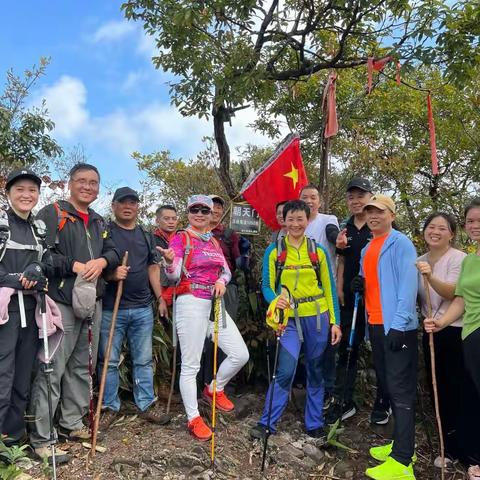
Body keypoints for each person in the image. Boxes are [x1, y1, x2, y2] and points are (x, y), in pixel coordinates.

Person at [30, 163, 120, 462]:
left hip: (91, 302)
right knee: (51, 369)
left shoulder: (98, 220)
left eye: (93, 182)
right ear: (70, 183)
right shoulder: (53, 213)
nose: (88, 187)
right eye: (81, 181)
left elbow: (113, 251)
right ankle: (42, 437)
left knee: (82, 366)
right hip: (61, 302)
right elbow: (42, 255)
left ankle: (71, 423)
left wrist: (104, 263)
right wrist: (76, 265)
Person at [158, 195, 249, 441]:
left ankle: (214, 389)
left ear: (211, 214)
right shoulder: (181, 238)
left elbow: (227, 271)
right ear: (188, 213)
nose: (200, 214)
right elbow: (175, 273)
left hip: (214, 304)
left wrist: (221, 281)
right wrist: (168, 262)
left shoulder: (213, 242)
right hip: (191, 302)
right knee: (191, 365)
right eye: (194, 210)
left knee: (240, 353)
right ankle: (193, 418)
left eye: (205, 210)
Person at [250, 199, 341, 440]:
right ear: (284, 220)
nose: (295, 223)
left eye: (300, 219)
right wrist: (274, 299)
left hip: (318, 318)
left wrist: (336, 322)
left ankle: (314, 424)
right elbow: (268, 286)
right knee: (285, 370)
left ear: (308, 220)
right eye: (291, 219)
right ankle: (267, 422)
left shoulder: (317, 251)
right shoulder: (276, 250)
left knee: (315, 369)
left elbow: (330, 289)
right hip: (288, 320)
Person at [98, 187, 170, 432]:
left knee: (143, 359)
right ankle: (109, 406)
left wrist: (160, 297)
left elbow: (153, 267)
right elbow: (97, 265)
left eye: (133, 202)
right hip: (111, 307)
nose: (128, 206)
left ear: (138, 206)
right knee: (109, 360)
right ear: (114, 206)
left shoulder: (145, 235)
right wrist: (110, 274)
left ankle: (146, 404)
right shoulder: (104, 232)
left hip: (141, 308)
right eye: (123, 202)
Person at [357, 194, 418, 480]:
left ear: (391, 215)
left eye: (379, 211)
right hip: (376, 324)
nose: (373, 216)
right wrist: (361, 284)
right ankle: (402, 444)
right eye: (370, 211)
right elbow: (373, 282)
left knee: (401, 389)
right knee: (389, 386)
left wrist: (399, 325)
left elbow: (408, 286)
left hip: (397, 327)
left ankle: (403, 461)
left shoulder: (401, 243)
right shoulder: (368, 247)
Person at [417, 212, 480, 468]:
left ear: (452, 233)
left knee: (464, 392)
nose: (435, 231)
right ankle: (454, 448)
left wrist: (430, 276)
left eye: (442, 228)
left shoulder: (459, 258)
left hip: (459, 331)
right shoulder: (470, 261)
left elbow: (452, 292)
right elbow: (462, 298)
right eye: (431, 226)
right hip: (446, 331)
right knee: (441, 391)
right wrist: (437, 323)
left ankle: (471, 454)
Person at [0, 169, 53, 448]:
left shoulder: (38, 229)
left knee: (23, 377)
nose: (26, 195)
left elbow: (44, 263)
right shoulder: (2, 224)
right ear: (7, 193)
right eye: (19, 189)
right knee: (2, 377)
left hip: (31, 312)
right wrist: (13, 280)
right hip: (5, 314)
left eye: (32, 190)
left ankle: (11, 443)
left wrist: (37, 269)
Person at [326, 177, 373, 424]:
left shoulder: (377, 225)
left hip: (371, 299)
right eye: (351, 197)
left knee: (360, 348)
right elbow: (342, 259)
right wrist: (340, 288)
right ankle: (342, 400)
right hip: (348, 299)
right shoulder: (347, 227)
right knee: (346, 348)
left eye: (360, 196)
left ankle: (369, 402)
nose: (356, 201)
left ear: (370, 197)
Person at [299, 184, 340, 406]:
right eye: (305, 197)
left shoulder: (327, 219)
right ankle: (309, 388)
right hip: (301, 297)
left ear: (319, 201)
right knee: (308, 345)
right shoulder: (297, 225)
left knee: (326, 346)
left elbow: (333, 235)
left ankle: (328, 391)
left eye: (313, 197)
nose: (309, 201)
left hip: (326, 293)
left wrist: (339, 241)